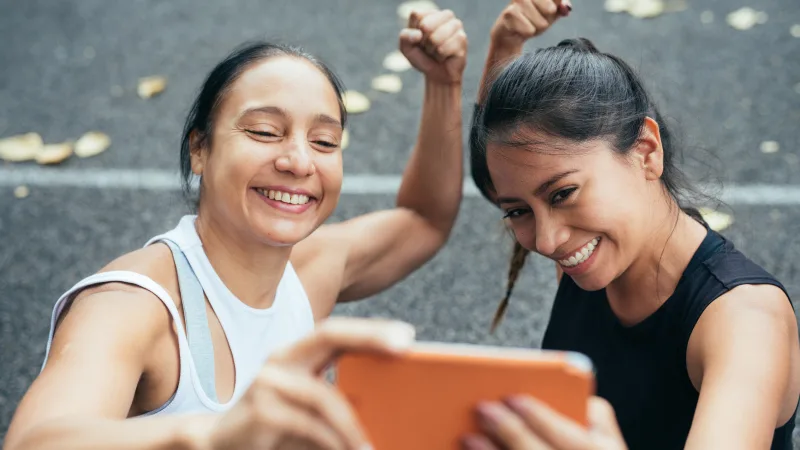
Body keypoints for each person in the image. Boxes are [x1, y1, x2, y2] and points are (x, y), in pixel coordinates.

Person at [4, 9, 468, 450]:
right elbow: (32, 442)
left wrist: (444, 84)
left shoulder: (310, 271)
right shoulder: (132, 305)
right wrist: (211, 436)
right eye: (265, 132)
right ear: (200, 149)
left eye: (324, 141)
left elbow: (424, 220)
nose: (299, 161)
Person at [463, 1, 800, 449]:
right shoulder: (594, 247)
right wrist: (505, 46)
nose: (547, 240)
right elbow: (502, 172)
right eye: (517, 212)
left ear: (646, 151)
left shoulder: (743, 321)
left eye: (562, 194)